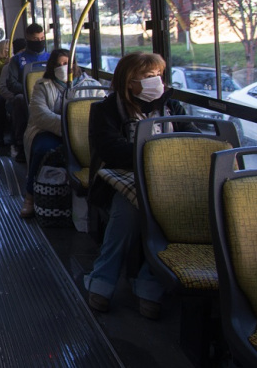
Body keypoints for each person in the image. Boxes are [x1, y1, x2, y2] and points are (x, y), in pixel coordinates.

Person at [84, 52, 199, 319]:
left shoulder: (172, 107)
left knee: (172, 214)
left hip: (170, 180)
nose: (156, 81)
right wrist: (159, 156)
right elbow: (112, 151)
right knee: (128, 212)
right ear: (129, 81)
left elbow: (193, 139)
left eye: (158, 75)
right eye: (148, 76)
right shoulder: (106, 110)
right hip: (122, 178)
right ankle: (103, 280)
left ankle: (149, 284)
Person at [19, 49, 102, 218]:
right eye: (58, 65)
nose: (63, 67)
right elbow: (40, 115)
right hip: (50, 130)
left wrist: (78, 130)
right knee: (42, 150)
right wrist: (69, 127)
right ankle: (30, 196)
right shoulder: (43, 85)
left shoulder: (92, 86)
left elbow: (100, 112)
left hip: (84, 133)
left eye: (66, 64)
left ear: (74, 64)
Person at [4, 24, 51, 162]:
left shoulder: (51, 58)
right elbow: (11, 83)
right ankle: (20, 143)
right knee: (19, 100)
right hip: (24, 95)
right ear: (28, 39)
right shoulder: (18, 59)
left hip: (47, 94)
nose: (39, 42)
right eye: (36, 39)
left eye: (42, 38)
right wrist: (28, 91)